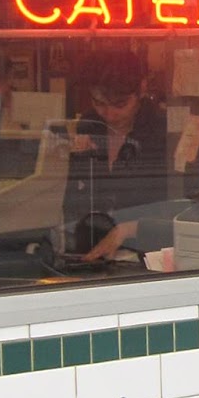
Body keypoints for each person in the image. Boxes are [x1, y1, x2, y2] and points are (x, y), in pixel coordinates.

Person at [63, 47, 180, 260]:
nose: (109, 114)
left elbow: (180, 208)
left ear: (141, 88)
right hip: (94, 253)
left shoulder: (163, 131)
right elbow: (73, 200)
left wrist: (129, 229)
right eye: (99, 103)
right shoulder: (89, 125)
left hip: (149, 256)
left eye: (120, 104)